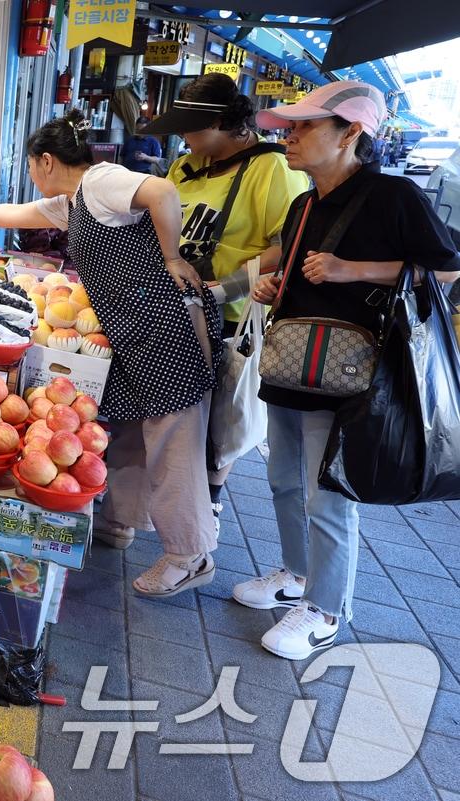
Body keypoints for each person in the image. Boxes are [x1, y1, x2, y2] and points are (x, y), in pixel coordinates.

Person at [0, 110, 223, 598]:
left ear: (45, 160)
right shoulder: (79, 200)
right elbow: (23, 213)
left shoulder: (102, 182)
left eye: (30, 166)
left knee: (173, 439)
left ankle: (189, 555)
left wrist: (171, 256)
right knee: (127, 427)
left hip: (163, 327)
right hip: (131, 330)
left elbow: (163, 192)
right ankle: (121, 520)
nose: (31, 177)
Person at [235, 82, 460, 660]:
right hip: (292, 362)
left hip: (354, 375)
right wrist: (271, 283)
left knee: (328, 492)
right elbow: (299, 271)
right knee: (284, 478)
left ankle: (328, 609)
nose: (289, 137)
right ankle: (294, 574)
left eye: (304, 127)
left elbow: (447, 273)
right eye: (289, 127)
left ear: (351, 132)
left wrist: (351, 269)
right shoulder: (303, 202)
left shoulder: (394, 197)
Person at [134, 73, 310, 537]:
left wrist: (226, 286)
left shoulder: (273, 168)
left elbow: (286, 241)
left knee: (221, 414)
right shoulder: (187, 165)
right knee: (175, 407)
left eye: (194, 129)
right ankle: (171, 495)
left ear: (229, 126)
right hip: (173, 307)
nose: (186, 138)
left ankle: (208, 501)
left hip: (228, 313)